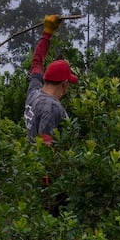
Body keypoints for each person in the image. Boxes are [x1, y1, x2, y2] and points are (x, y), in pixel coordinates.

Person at [24, 14, 78, 145]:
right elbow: (45, 147)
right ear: (64, 84)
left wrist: (47, 33)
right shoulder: (52, 108)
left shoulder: (34, 92)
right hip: (44, 165)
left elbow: (37, 62)